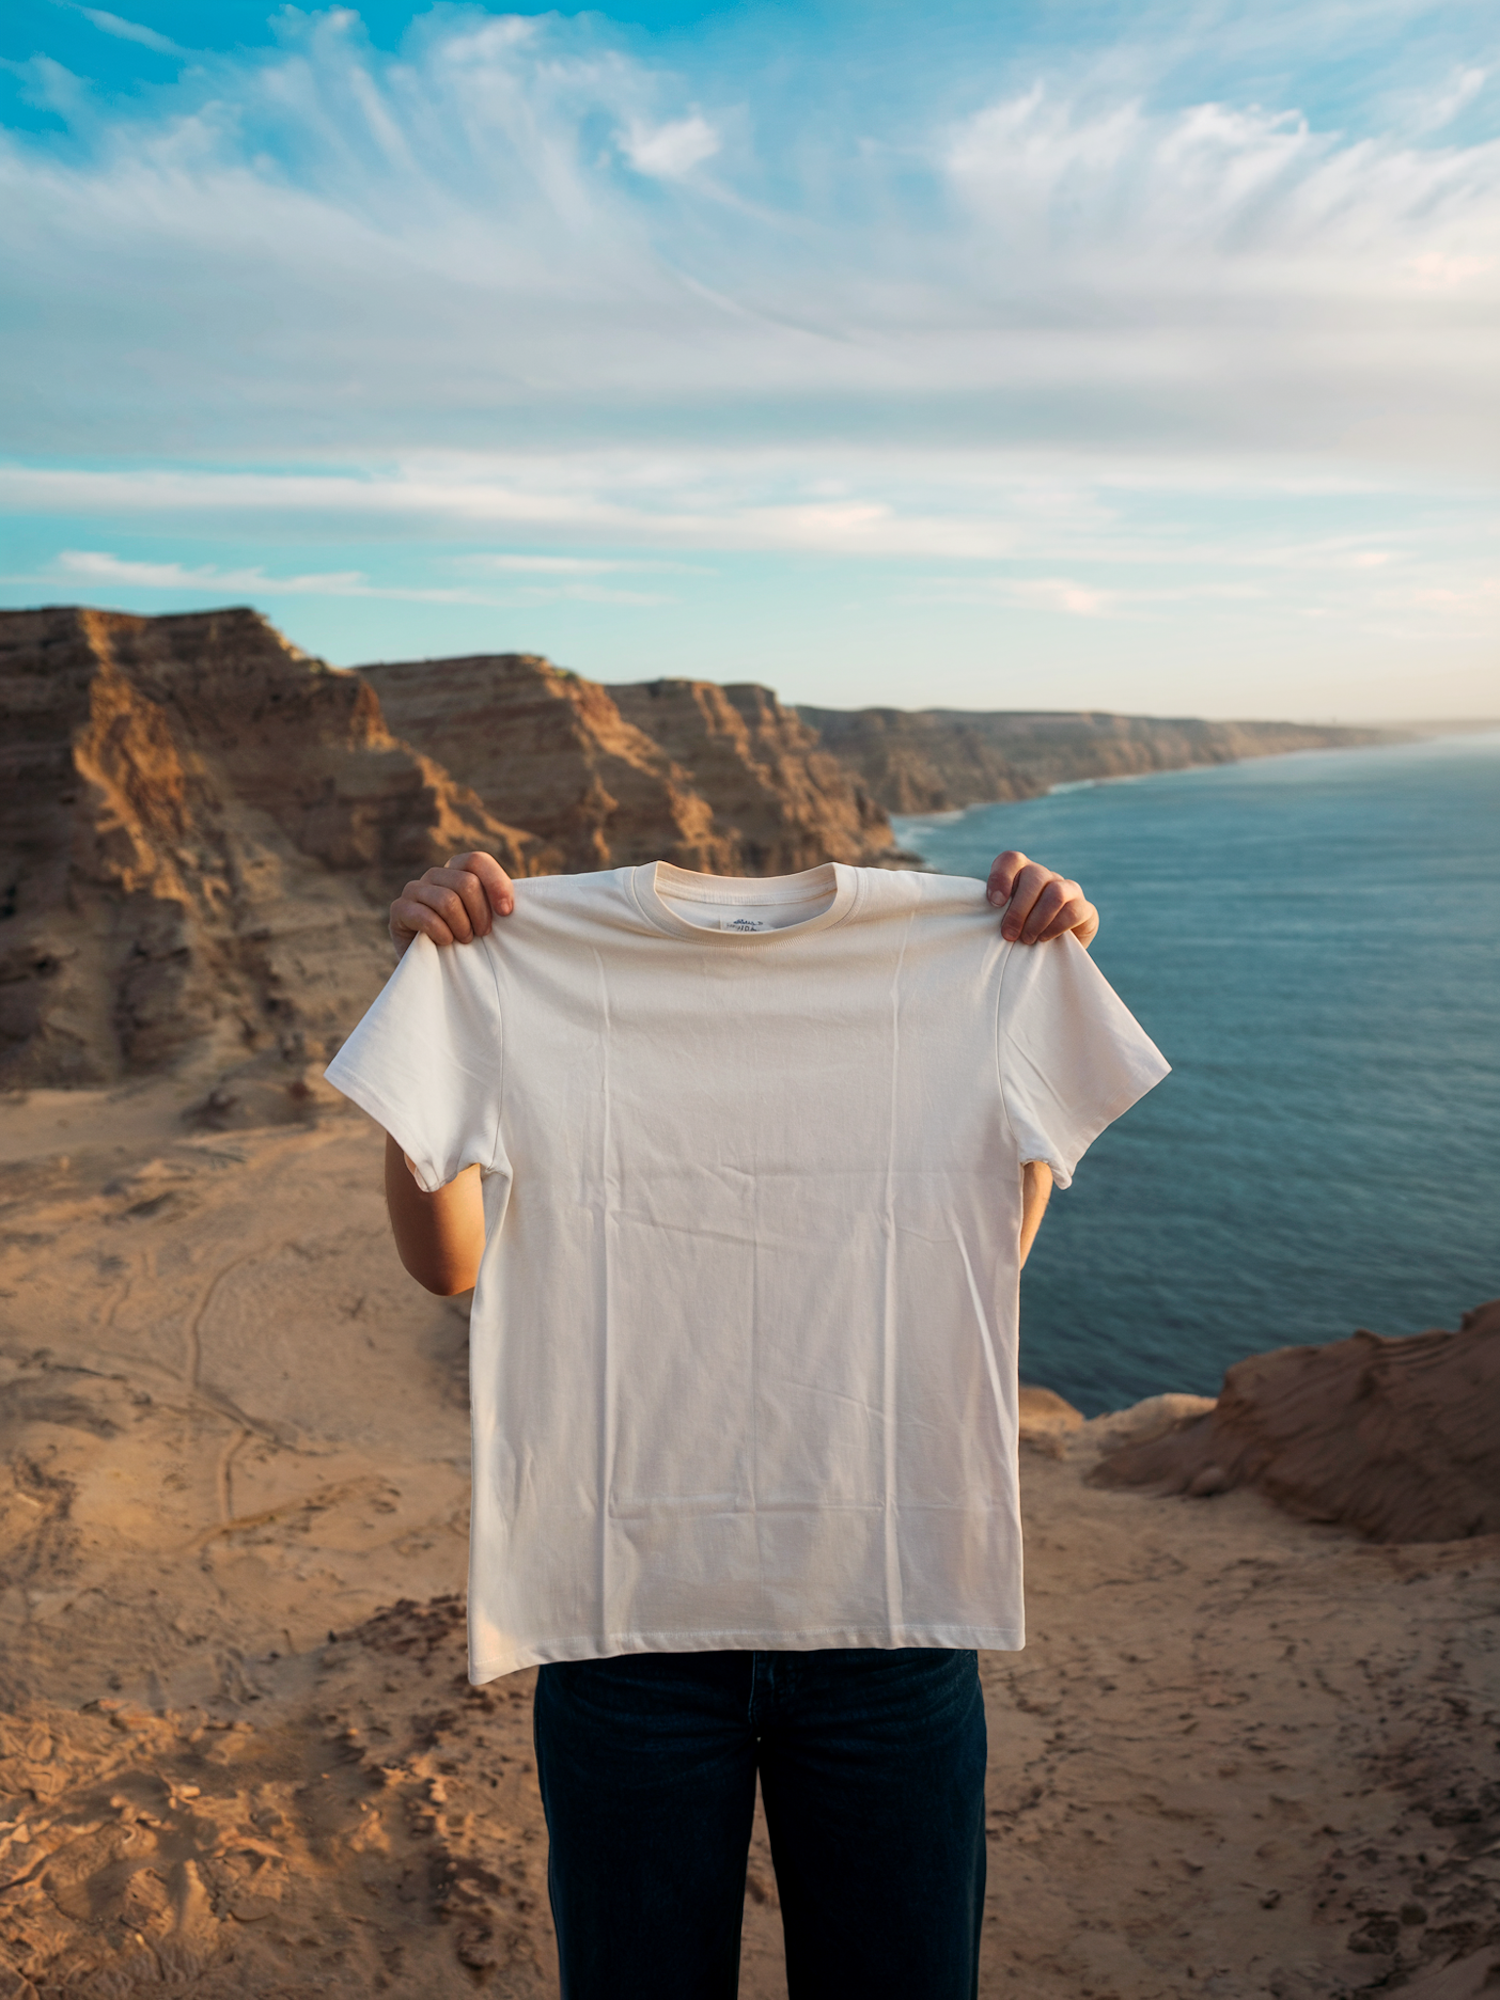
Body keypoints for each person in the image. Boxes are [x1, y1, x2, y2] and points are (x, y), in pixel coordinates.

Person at [326, 844, 1162, 2000]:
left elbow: (979, 1258)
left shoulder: (975, 962)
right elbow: (448, 1264)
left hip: (889, 1614)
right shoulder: (516, 957)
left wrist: (1035, 973)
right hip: (626, 1629)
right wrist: (439, 1019)